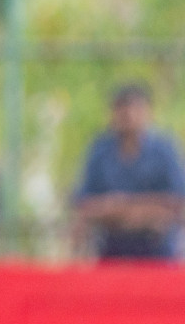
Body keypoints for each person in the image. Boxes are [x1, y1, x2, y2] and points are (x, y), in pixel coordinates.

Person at [73, 84, 185, 260]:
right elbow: (84, 202)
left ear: (148, 111)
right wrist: (113, 210)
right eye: (122, 108)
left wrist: (126, 207)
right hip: (111, 250)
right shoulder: (100, 149)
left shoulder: (164, 150)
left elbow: (178, 201)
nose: (129, 115)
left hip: (158, 252)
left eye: (136, 108)